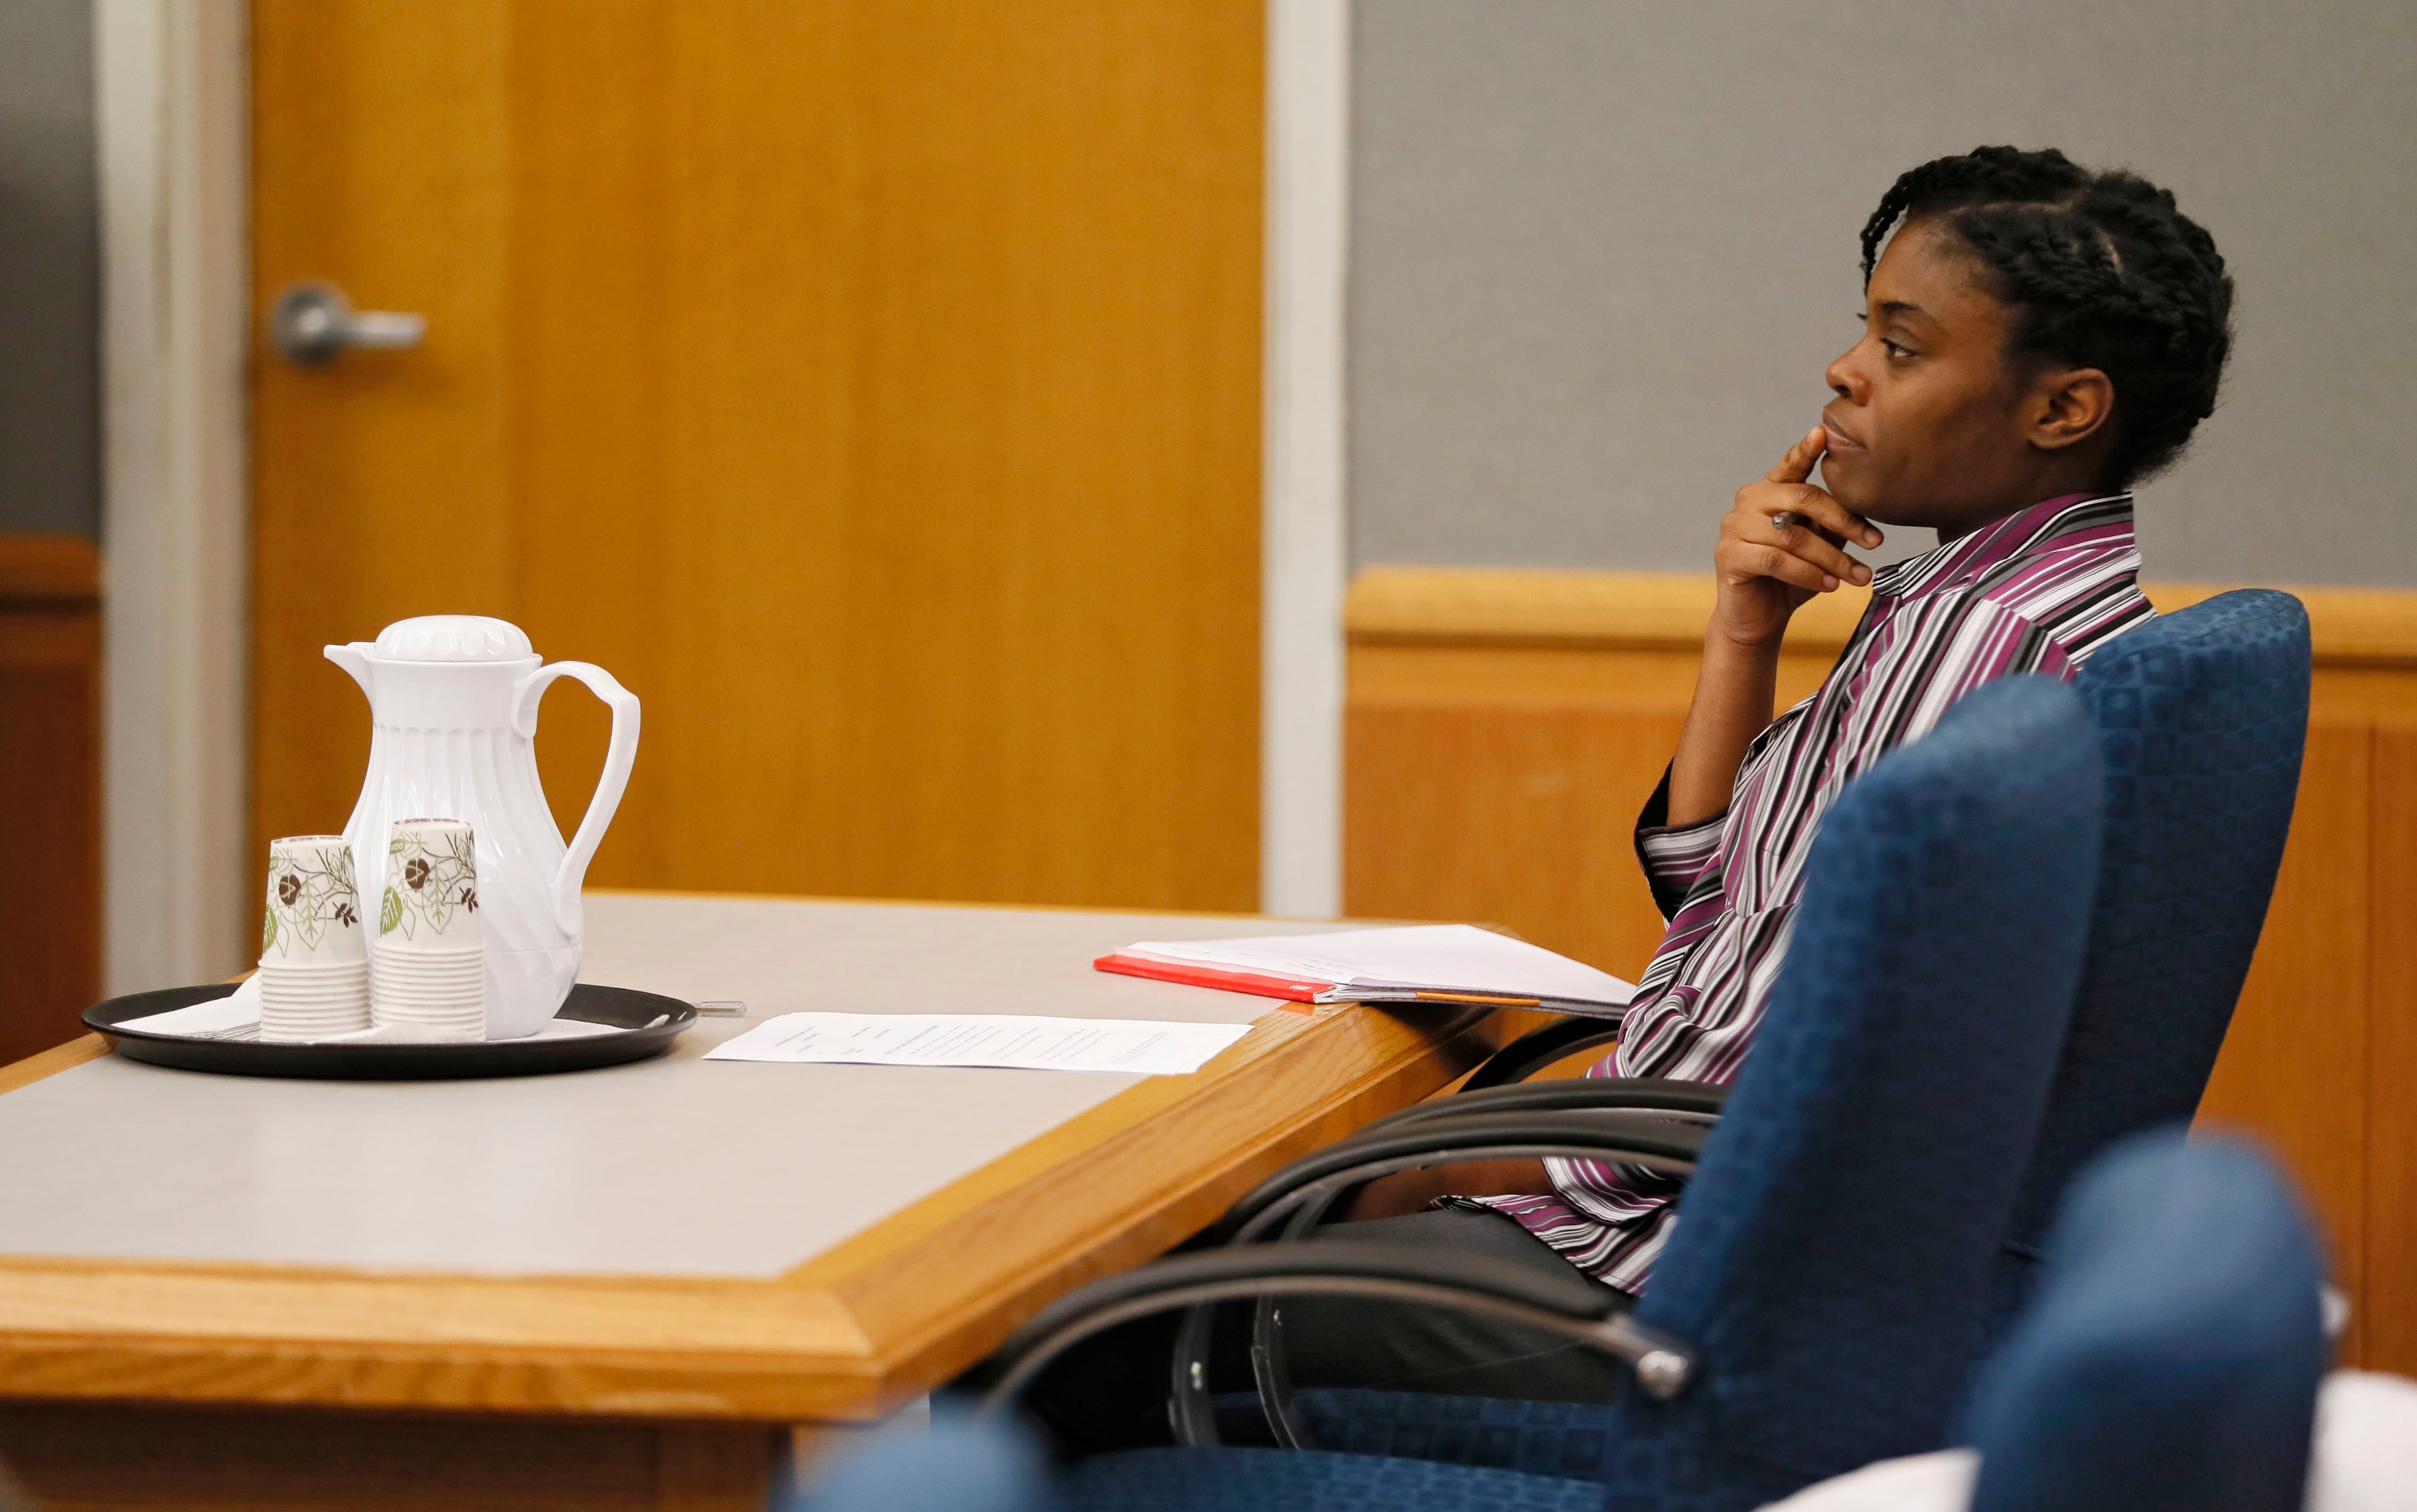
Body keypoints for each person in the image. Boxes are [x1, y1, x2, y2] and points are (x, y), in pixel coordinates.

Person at [1273, 144, 2239, 1403]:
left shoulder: (1987, 660)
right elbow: (1724, 899)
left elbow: (1751, 1091)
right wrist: (1748, 628)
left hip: (1667, 1278)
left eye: (1902, 347)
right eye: (1866, 332)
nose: (1846, 370)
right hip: (1716, 1238)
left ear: (2061, 410)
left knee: (1075, 1322)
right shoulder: (2009, 608)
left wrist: (1456, 1169)